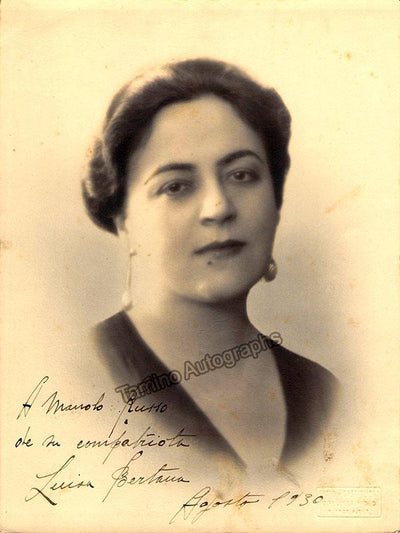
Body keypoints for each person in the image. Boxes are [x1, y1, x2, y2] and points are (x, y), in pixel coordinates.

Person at [82, 58, 338, 479]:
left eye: (242, 175)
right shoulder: (81, 378)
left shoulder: (324, 394)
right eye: (176, 186)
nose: (219, 207)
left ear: (276, 202)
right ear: (124, 220)